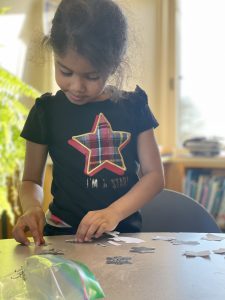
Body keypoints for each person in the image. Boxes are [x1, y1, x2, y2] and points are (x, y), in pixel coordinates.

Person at [12, 0, 164, 246]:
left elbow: (155, 176)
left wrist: (113, 213)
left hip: (123, 237)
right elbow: (31, 180)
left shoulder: (134, 106)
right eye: (65, 71)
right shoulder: (46, 112)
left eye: (92, 76)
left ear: (113, 66)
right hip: (62, 237)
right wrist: (32, 207)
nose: (77, 87)